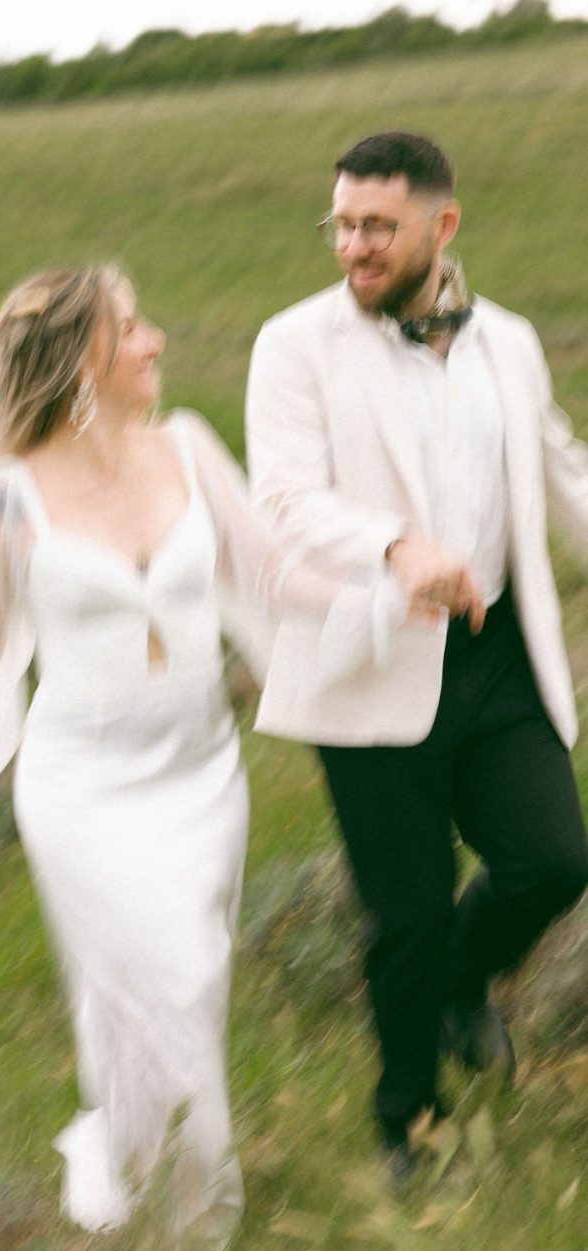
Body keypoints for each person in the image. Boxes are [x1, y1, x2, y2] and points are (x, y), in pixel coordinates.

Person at [0, 264, 407, 1243]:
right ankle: (188, 1223)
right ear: (83, 358)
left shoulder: (186, 448)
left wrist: (388, 598)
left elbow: (272, 573)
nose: (156, 340)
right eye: (133, 326)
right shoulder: (2, 500)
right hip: (81, 784)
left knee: (187, 987)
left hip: (200, 772)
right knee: (157, 975)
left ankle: (137, 1168)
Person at [245, 131, 588, 1187]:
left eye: (376, 227)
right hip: (371, 659)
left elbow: (559, 468)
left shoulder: (510, 342)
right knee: (406, 910)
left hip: (494, 655)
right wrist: (397, 547)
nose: (353, 245)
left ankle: (459, 981)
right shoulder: (293, 345)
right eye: (341, 224)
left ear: (442, 225)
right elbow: (282, 501)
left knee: (553, 861)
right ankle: (409, 1121)